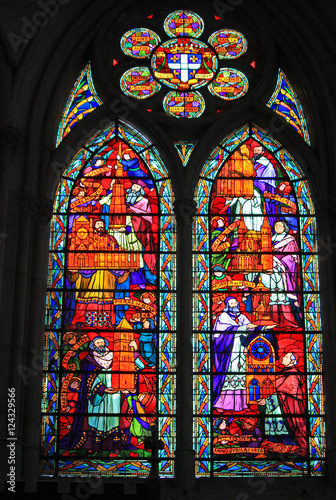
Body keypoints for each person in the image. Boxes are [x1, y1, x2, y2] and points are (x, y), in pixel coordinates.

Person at [212, 297, 273, 412]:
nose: (234, 305)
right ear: (227, 305)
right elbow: (220, 335)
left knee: (243, 375)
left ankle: (243, 404)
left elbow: (251, 331)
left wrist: (263, 328)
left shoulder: (242, 317)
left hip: (242, 350)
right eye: (231, 303)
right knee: (230, 375)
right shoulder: (222, 317)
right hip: (229, 353)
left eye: (235, 303)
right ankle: (224, 404)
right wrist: (244, 328)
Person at [257, 349, 307, 456]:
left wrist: (267, 401)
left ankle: (289, 450)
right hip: (278, 407)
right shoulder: (285, 373)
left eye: (287, 357)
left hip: (286, 409)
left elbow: (285, 392)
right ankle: (274, 449)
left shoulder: (293, 375)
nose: (283, 358)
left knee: (284, 431)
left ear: (292, 362)